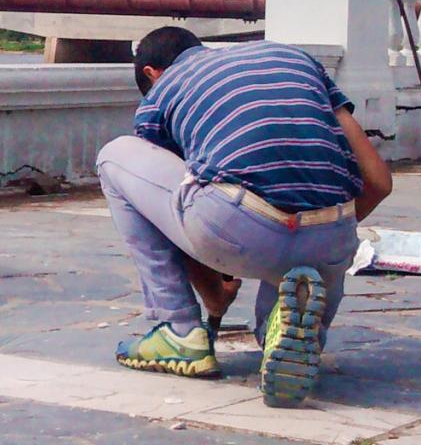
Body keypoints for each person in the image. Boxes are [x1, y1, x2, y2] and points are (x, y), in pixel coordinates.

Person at [97, 27, 392, 407]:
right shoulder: (297, 59)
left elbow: (178, 201)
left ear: (152, 73)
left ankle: (178, 329)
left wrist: (214, 296)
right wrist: (324, 233)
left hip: (238, 225)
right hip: (333, 235)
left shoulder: (164, 91)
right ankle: (279, 331)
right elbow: (379, 182)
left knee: (115, 156)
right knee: (295, 281)